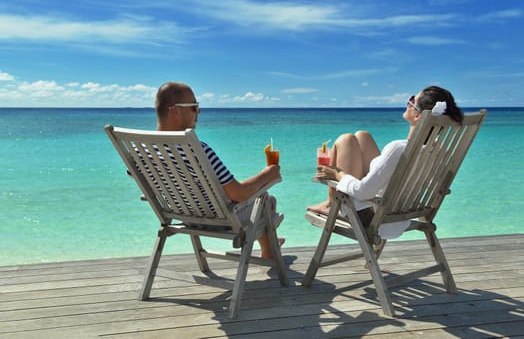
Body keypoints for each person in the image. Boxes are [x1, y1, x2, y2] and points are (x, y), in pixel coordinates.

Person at [155, 81, 284, 258]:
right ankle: (269, 251)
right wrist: (267, 175)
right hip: (220, 221)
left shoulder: (141, 152)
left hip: (184, 218)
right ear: (175, 110)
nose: (198, 112)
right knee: (266, 201)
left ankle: (271, 245)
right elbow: (238, 194)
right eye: (194, 107)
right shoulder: (197, 151)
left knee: (259, 203)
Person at [307, 85, 464, 231]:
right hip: (402, 215)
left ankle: (330, 203)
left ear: (417, 115)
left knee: (345, 139)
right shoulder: (439, 151)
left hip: (374, 219)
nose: (407, 103)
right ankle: (328, 202)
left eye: (411, 101)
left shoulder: (398, 148)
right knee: (363, 136)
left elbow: (362, 193)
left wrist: (337, 175)